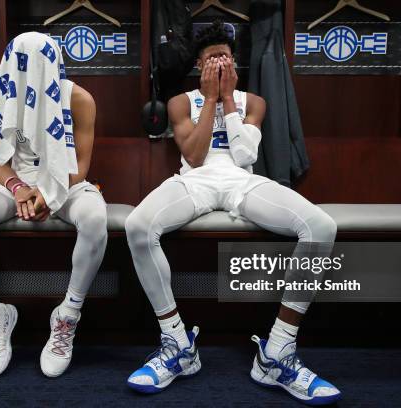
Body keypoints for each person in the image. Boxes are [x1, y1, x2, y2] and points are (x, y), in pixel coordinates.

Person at [125, 21, 341, 405]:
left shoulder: (253, 101)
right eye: (211, 59)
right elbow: (192, 155)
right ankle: (178, 344)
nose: (220, 63)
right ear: (199, 64)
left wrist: (228, 100)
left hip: (242, 180)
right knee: (138, 226)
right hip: (196, 180)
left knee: (321, 226)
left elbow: (246, 156)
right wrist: (209, 99)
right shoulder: (181, 101)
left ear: (235, 61)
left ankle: (277, 351)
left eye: (225, 56)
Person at [0, 33, 107, 378]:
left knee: (95, 217)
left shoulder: (80, 99)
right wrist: (19, 187)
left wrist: (48, 193)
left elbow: (80, 165)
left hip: (67, 182)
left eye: (38, 63)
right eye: (22, 63)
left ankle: (68, 316)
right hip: (15, 185)